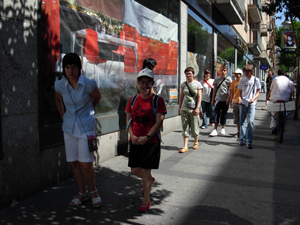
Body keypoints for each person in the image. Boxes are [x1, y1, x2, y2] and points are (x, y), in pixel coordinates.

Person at [54, 53, 102, 207]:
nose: (70, 70)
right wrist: (63, 116)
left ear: (79, 68)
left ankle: (94, 191)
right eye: (67, 67)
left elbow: (97, 97)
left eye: (73, 67)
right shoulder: (60, 85)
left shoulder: (88, 84)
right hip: (68, 128)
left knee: (86, 164)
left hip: (86, 129)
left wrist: (89, 111)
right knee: (73, 163)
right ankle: (82, 192)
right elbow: (57, 99)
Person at [125, 68, 166, 212]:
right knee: (135, 170)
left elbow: (158, 122)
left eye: (148, 83)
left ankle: (146, 201)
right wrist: (132, 135)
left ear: (152, 83)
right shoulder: (133, 99)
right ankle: (148, 180)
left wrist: (147, 137)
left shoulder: (158, 100)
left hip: (151, 142)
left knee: (146, 171)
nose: (145, 86)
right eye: (142, 82)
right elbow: (128, 120)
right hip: (135, 140)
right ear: (138, 83)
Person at [178, 67, 202, 152]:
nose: (188, 75)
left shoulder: (197, 84)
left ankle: (196, 141)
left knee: (194, 125)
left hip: (194, 108)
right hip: (184, 108)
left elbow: (199, 97)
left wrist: (198, 108)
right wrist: (179, 108)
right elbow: (181, 97)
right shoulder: (183, 84)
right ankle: (185, 146)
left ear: (193, 74)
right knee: (185, 126)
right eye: (186, 73)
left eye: (189, 73)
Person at [238, 64, 260, 149]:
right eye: (245, 71)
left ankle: (249, 141)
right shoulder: (242, 80)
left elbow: (258, 92)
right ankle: (242, 139)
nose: (246, 73)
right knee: (242, 122)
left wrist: (253, 98)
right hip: (243, 102)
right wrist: (239, 99)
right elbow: (239, 92)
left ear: (251, 71)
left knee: (250, 122)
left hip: (251, 103)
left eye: (248, 71)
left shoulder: (256, 80)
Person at [267, 69, 294, 134]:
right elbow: (293, 91)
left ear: (278, 74)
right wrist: (293, 98)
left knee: (274, 113)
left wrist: (268, 97)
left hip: (275, 98)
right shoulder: (288, 80)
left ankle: (273, 127)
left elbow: (270, 90)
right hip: (285, 98)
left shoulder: (275, 79)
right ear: (284, 74)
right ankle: (284, 118)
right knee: (284, 110)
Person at [209, 65, 232, 136]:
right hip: (218, 99)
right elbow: (214, 90)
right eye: (222, 70)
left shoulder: (229, 79)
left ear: (226, 71)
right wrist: (212, 100)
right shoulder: (216, 79)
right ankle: (215, 129)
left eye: (224, 70)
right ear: (219, 71)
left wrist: (229, 99)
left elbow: (230, 90)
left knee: (224, 114)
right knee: (216, 114)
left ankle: (223, 128)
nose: (223, 72)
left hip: (225, 100)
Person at [229, 68, 242, 139]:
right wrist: (231, 101)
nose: (236, 75)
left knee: (242, 118)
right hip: (235, 102)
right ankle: (239, 132)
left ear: (241, 75)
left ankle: (243, 132)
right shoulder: (233, 82)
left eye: (238, 74)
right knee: (236, 118)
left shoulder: (243, 81)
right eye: (235, 74)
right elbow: (231, 92)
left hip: (242, 103)